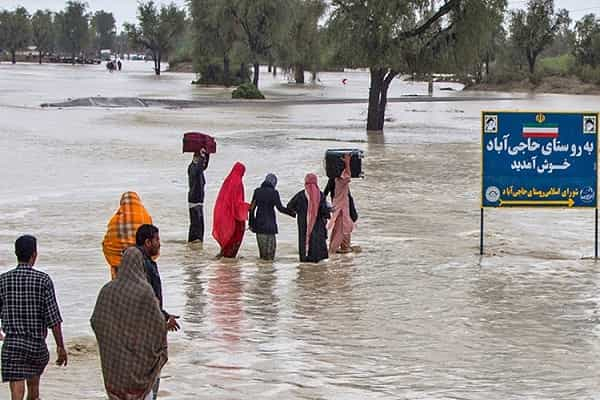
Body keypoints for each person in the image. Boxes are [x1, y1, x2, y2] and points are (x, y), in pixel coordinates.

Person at [91, 247, 168, 400]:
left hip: (115, 365)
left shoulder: (107, 290)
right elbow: (158, 325)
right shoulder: (145, 291)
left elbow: (97, 321)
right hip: (140, 363)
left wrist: (113, 341)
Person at [0, 235, 67, 400]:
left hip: (12, 345)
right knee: (33, 389)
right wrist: (60, 347)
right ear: (34, 255)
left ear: (16, 253)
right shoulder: (43, 280)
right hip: (36, 345)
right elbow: (53, 318)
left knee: (16, 391)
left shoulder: (2, 280)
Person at [135, 224, 180, 399]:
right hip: (145, 335)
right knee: (149, 381)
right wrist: (162, 319)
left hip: (138, 334)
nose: (159, 244)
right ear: (148, 242)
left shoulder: (137, 263)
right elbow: (145, 301)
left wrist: (164, 315)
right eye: (157, 240)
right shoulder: (144, 265)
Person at [102, 191, 153, 279]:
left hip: (120, 265)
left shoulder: (115, 221)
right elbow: (152, 241)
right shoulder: (145, 217)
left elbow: (107, 244)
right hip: (142, 263)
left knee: (121, 289)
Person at [249, 173, 295, 260]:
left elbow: (251, 209)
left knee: (262, 256)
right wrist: (292, 213)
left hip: (259, 227)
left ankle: (262, 273)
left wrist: (251, 224)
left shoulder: (257, 191)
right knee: (270, 257)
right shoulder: (274, 193)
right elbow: (280, 208)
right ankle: (269, 273)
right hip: (270, 227)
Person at [287, 174, 331, 263]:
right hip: (318, 224)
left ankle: (305, 258)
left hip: (303, 224)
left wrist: (297, 213)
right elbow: (324, 211)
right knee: (316, 242)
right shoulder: (320, 195)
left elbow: (290, 206)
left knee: (304, 240)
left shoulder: (300, 195)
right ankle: (316, 261)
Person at [213, 162, 250, 258]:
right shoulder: (238, 183)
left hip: (225, 214)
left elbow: (224, 200)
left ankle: (223, 255)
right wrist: (249, 207)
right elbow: (237, 203)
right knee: (234, 238)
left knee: (228, 238)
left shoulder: (227, 181)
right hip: (234, 218)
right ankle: (228, 258)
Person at [327, 154, 356, 254]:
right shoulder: (341, 181)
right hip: (342, 209)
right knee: (341, 230)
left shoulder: (335, 180)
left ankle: (344, 247)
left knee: (341, 229)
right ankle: (332, 252)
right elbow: (348, 175)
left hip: (339, 208)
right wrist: (347, 162)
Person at [188, 149, 209, 245]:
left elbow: (203, 166)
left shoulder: (197, 167)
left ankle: (197, 242)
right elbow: (200, 168)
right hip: (194, 199)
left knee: (200, 225)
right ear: (195, 158)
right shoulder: (192, 168)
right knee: (196, 225)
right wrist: (202, 155)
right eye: (201, 159)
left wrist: (207, 154)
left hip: (199, 200)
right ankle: (193, 242)